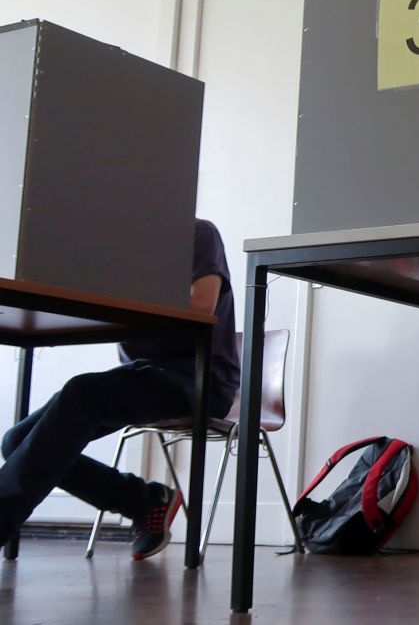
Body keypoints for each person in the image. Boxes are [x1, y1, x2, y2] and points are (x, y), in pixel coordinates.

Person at [0, 219, 241, 560]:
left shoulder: (197, 233)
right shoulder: (115, 247)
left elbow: (202, 305)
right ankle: (141, 500)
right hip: (143, 373)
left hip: (200, 378)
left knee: (83, 394)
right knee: (16, 441)